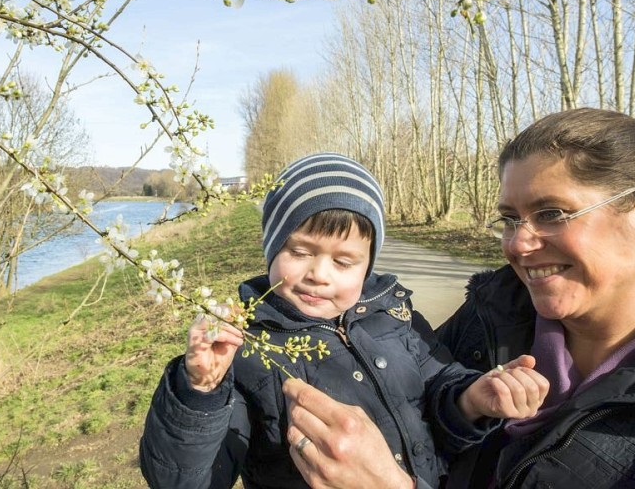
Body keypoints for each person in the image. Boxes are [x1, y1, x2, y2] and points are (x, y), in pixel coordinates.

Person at [282, 108, 635, 488]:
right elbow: (414, 412)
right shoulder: (490, 314)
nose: (519, 243)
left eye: (552, 213)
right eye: (510, 219)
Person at [139, 152, 548, 489]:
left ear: (367, 266)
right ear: (271, 249)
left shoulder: (396, 317)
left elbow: (439, 390)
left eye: (343, 261)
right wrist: (199, 391)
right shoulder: (247, 349)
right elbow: (181, 481)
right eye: (299, 252)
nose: (319, 273)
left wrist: (473, 399)